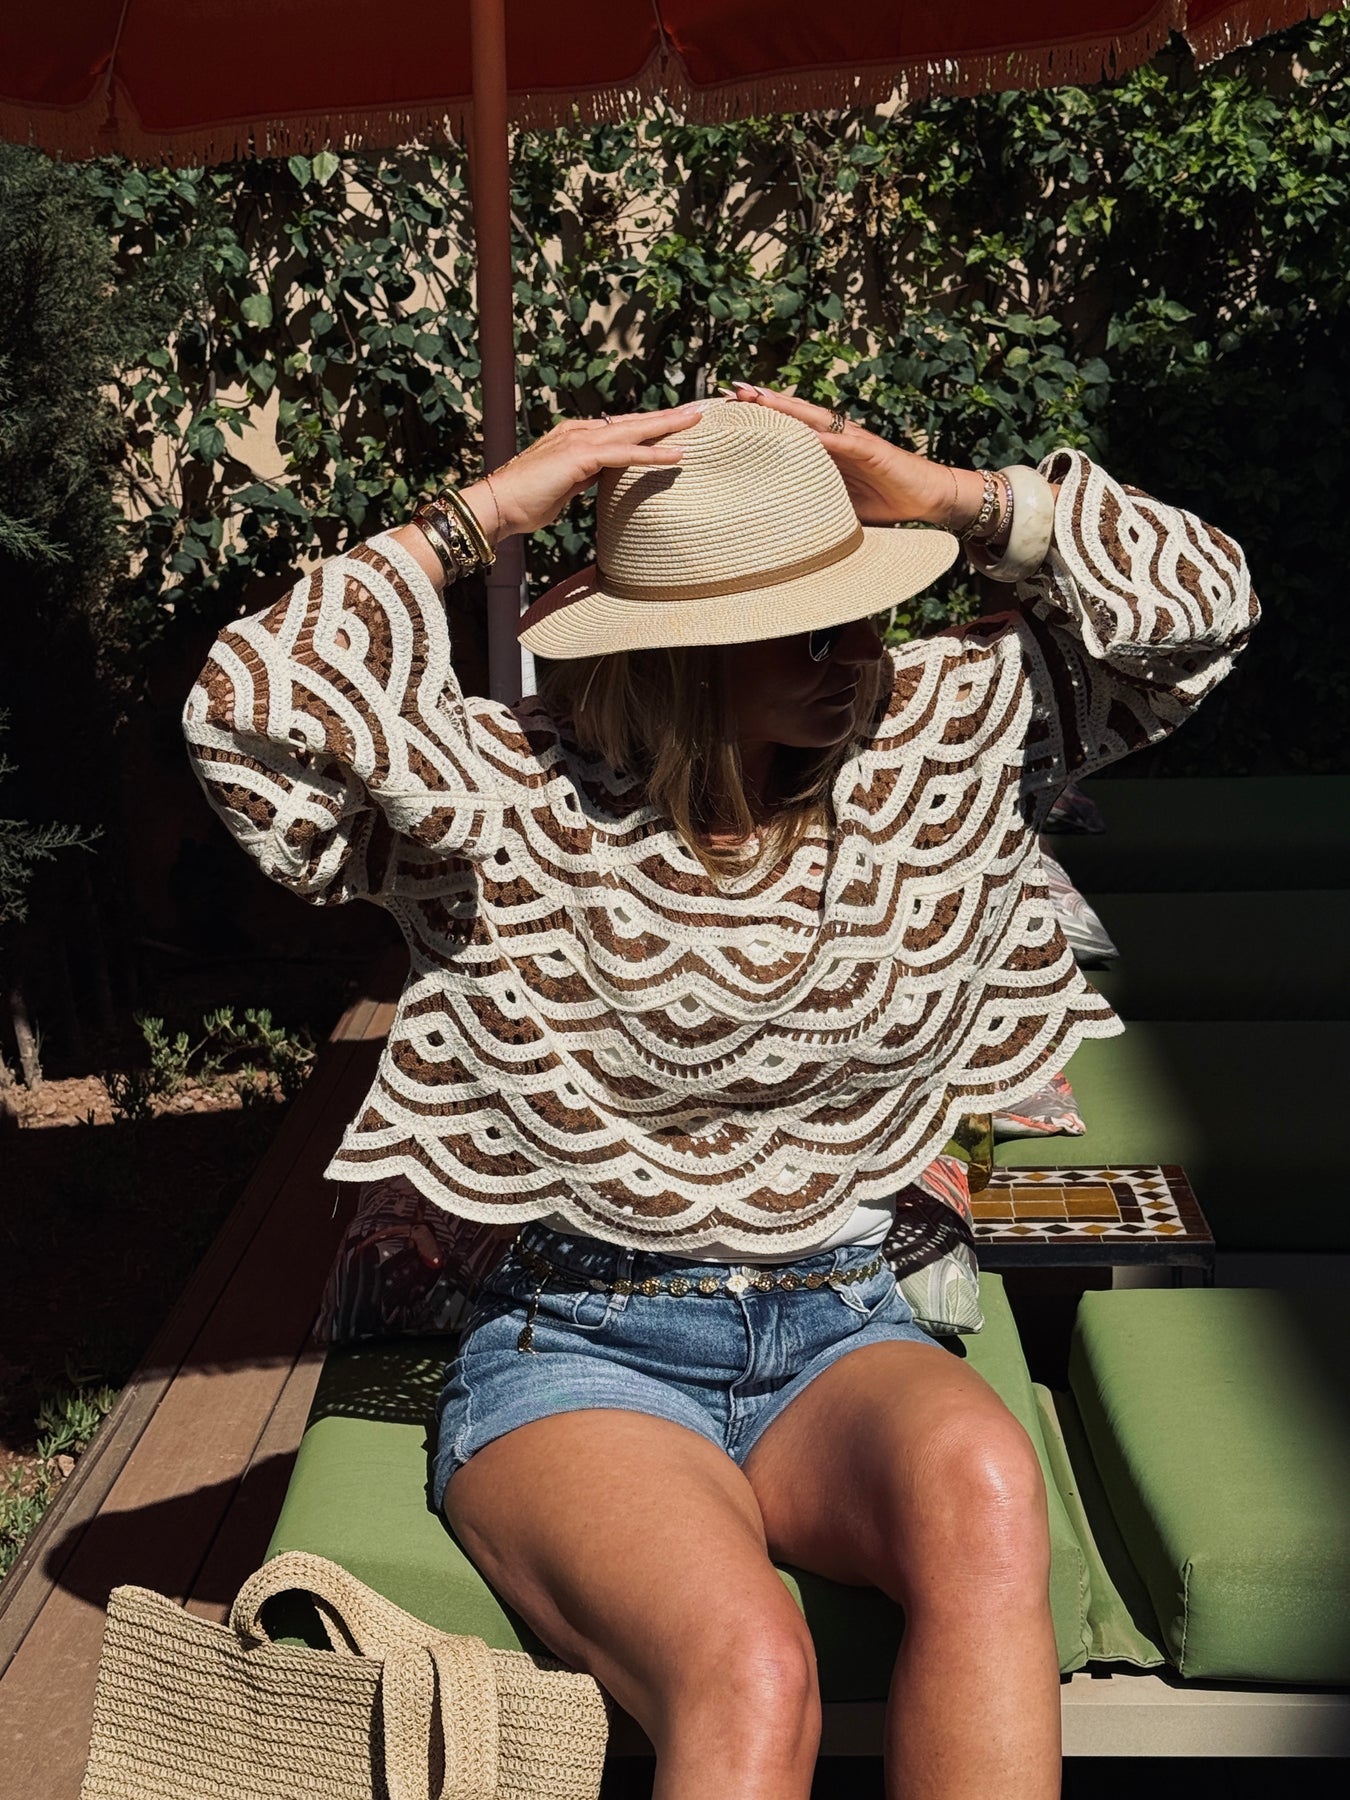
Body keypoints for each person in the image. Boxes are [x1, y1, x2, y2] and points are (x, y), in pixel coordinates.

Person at [184, 385, 1256, 1799]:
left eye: (865, 612)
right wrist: (484, 513)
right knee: (751, 1668)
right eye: (807, 633)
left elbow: (1205, 606)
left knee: (992, 1504)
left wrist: (949, 496)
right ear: (682, 655)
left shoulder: (931, 744)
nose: (858, 656)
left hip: (844, 1322)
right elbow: (248, 710)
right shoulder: (508, 801)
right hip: (581, 1346)